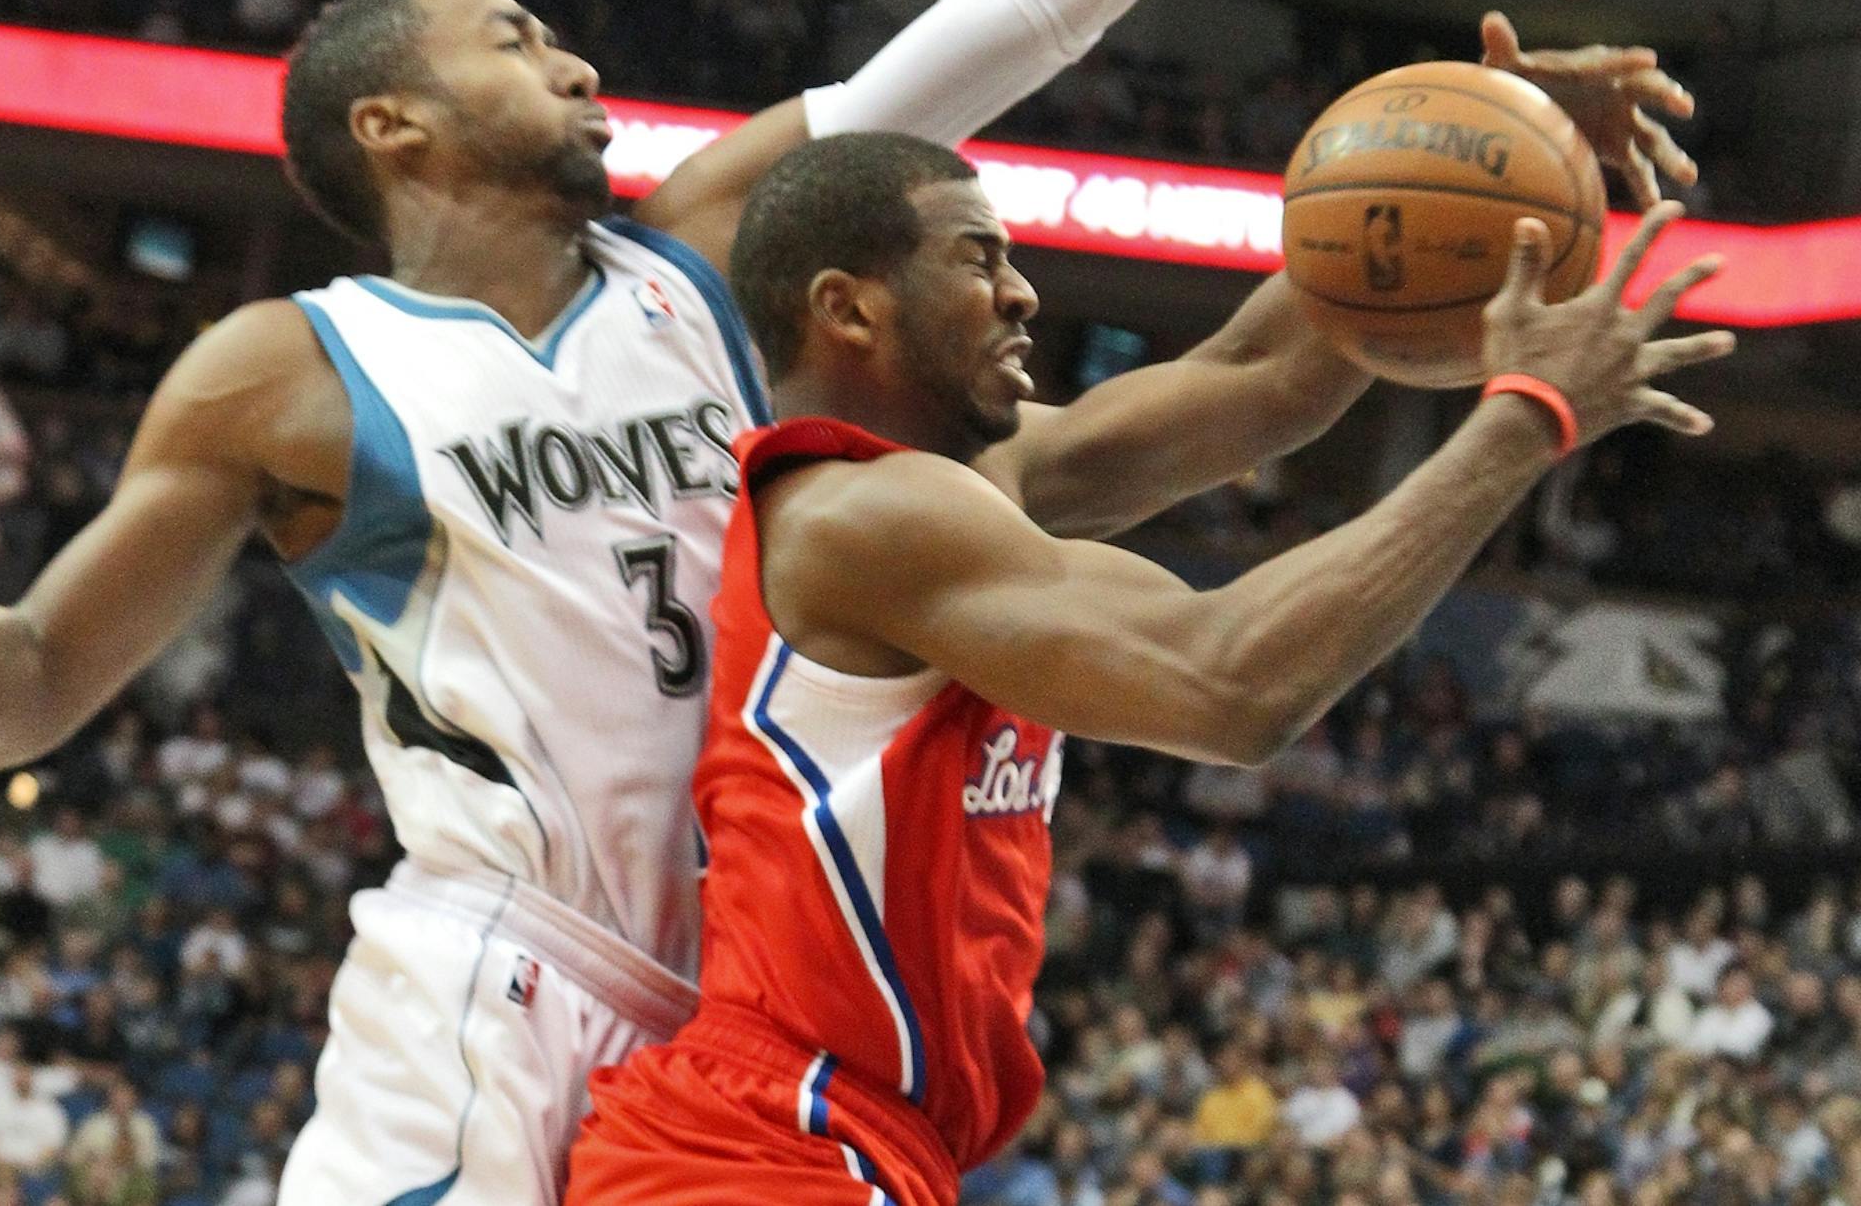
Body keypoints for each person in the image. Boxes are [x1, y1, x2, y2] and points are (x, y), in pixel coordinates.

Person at [0, 0, 1674, 1206]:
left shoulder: (703, 262)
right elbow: (14, 692)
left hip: (746, 1022)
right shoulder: (294, 367)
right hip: (504, 992)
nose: (572, 57)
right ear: (388, 120)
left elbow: (1020, 7)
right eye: (515, 37)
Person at [564, 135, 1732, 1205]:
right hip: (764, 1146)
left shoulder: (970, 493)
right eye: (979, 258)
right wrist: (1530, 415)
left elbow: (1258, 378)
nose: (1024, 291)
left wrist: (1484, 146)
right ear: (848, 309)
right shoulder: (860, 517)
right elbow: (1232, 684)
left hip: (834, 1140)